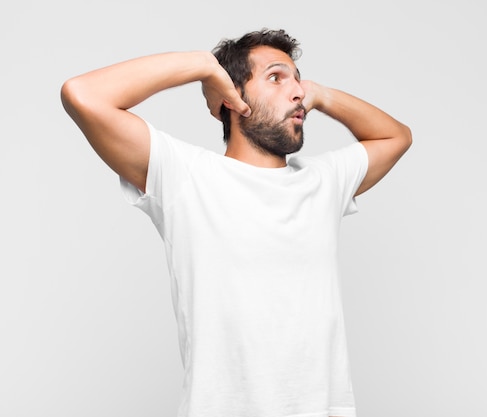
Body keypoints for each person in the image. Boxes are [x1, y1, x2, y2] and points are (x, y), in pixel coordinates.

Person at [61, 28, 411, 417]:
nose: (297, 92)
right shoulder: (186, 176)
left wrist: (321, 94)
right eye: (276, 77)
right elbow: (83, 95)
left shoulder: (323, 181)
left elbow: (396, 136)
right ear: (231, 96)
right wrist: (201, 66)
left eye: (298, 79)